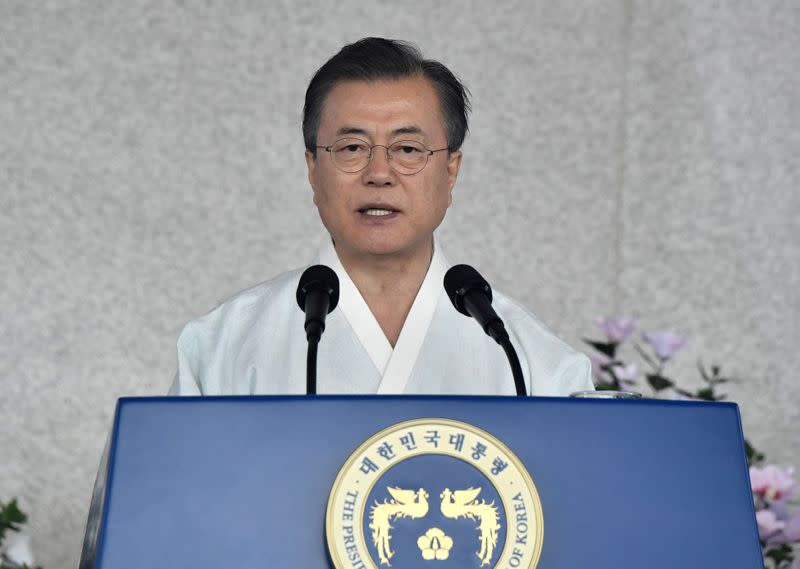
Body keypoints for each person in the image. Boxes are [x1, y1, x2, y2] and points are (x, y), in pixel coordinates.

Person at [170, 37, 592, 396]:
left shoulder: (529, 358)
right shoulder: (221, 345)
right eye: (352, 148)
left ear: (450, 171)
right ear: (313, 169)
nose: (378, 174)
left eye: (408, 149)